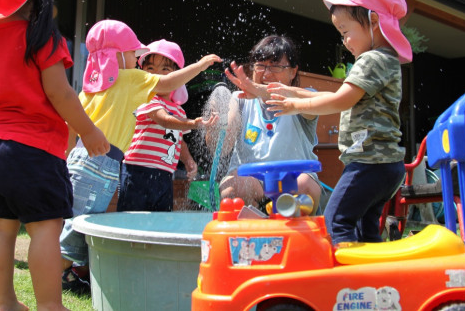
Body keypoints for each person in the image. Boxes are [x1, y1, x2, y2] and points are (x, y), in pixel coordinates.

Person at [0, 0, 110, 311]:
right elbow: (60, 94)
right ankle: (49, 305)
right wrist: (89, 131)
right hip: (31, 149)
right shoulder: (40, 37)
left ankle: (5, 303)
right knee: (45, 227)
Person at [59, 20, 221, 293]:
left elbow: (71, 124)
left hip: (92, 161)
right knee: (82, 225)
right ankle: (59, 271)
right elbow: (166, 93)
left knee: (80, 222)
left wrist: (64, 157)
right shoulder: (135, 82)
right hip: (116, 165)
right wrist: (202, 65)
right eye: (136, 54)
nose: (137, 60)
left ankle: (73, 272)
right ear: (119, 55)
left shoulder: (92, 88)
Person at [265, 0, 412, 244]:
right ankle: (373, 279)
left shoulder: (371, 59)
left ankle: (342, 281)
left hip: (369, 164)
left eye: (345, 31)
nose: (344, 41)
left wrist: (295, 105)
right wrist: (294, 92)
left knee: (336, 223)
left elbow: (341, 101)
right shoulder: (384, 60)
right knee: (366, 231)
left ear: (373, 20)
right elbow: (339, 96)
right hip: (385, 166)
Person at [220, 35, 324, 212]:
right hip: (251, 181)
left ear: (293, 72)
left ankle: (294, 235)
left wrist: (260, 91)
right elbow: (223, 147)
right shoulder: (239, 100)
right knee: (235, 186)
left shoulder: (304, 97)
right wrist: (217, 125)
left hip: (294, 180)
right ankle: (253, 233)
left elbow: (323, 102)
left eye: (275, 66)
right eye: (260, 66)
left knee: (305, 185)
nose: (266, 74)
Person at [118, 39, 217, 212]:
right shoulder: (145, 98)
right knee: (131, 217)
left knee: (160, 217)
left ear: (177, 76)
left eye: (165, 69)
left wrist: (188, 161)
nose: (157, 75)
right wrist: (193, 123)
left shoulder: (179, 111)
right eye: (150, 69)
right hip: (137, 171)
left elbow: (178, 141)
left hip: (164, 175)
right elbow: (163, 119)